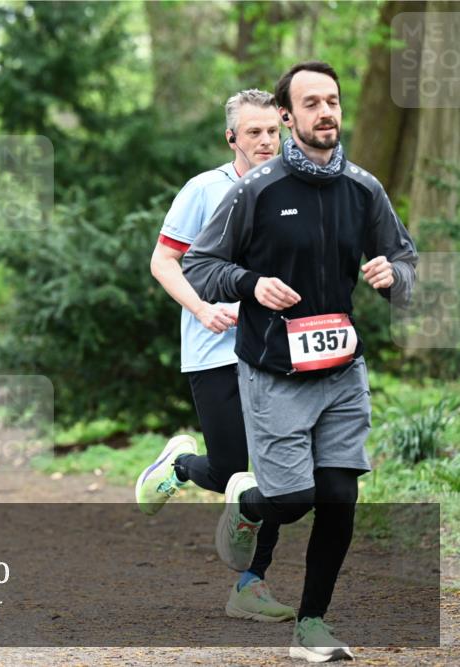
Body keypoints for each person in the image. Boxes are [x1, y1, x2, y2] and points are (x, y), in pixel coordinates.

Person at [183, 61, 418, 662]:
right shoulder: (256, 190)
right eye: (310, 103)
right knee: (293, 500)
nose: (326, 112)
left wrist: (396, 277)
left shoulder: (363, 188)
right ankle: (249, 506)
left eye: (333, 101)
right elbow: (200, 267)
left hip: (342, 370)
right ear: (286, 117)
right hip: (273, 373)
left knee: (340, 495)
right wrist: (251, 284)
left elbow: (406, 262)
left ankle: (311, 624)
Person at [137, 89, 294, 623]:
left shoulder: (299, 189)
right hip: (214, 348)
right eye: (254, 132)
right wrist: (203, 308)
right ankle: (180, 467)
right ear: (232, 138)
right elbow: (163, 262)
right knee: (230, 468)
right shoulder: (203, 190)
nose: (266, 141)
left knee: (275, 475)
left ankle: (251, 585)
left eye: (274, 130)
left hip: (278, 352)